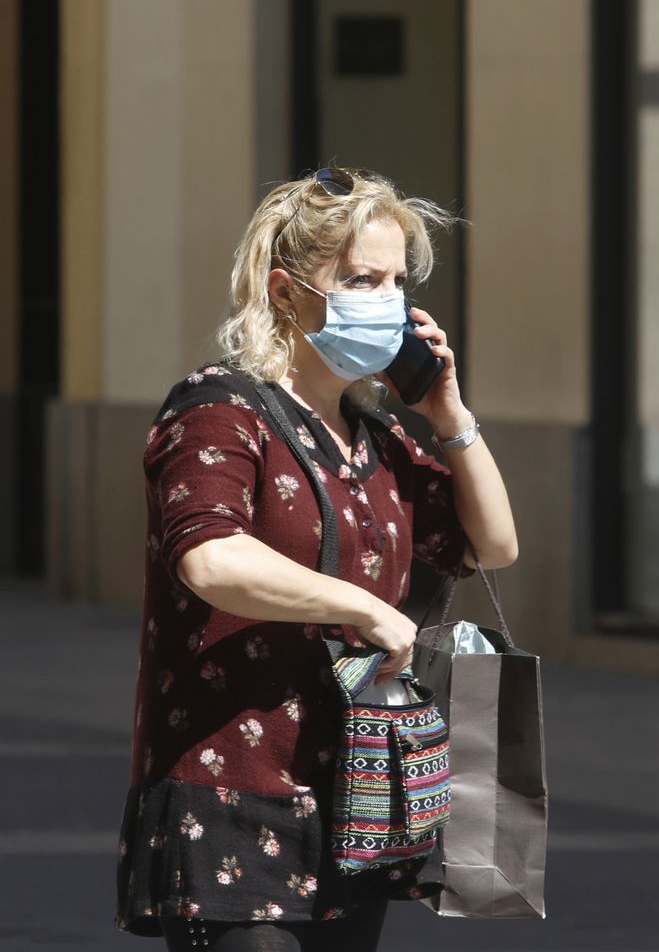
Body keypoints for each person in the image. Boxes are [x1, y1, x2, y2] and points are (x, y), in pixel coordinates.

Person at [116, 168, 519, 951]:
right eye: (362, 279)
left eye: (398, 282)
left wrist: (451, 415)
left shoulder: (379, 438)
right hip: (232, 794)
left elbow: (492, 543)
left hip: (360, 794)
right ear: (286, 290)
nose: (388, 301)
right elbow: (208, 556)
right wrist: (359, 604)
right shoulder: (217, 409)